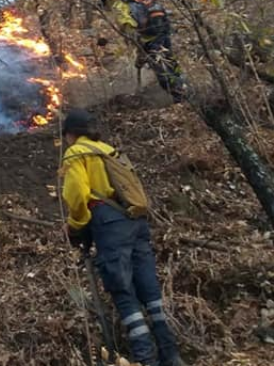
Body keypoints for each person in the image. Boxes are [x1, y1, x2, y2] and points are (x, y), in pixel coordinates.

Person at [60, 109, 185, 366]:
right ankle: (171, 354)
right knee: (149, 290)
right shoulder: (107, 149)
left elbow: (77, 194)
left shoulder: (76, 152)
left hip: (110, 223)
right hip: (136, 222)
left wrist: (75, 226)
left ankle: (145, 359)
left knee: (122, 289)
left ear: (70, 134)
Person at [100, 0, 187, 102]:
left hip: (150, 40)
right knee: (171, 63)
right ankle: (187, 87)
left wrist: (140, 48)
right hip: (163, 33)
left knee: (162, 71)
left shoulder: (118, 6)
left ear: (107, 0)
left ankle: (181, 97)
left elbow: (129, 28)